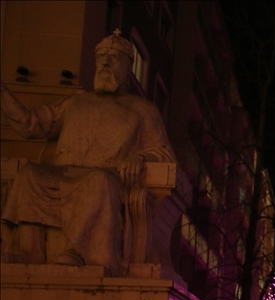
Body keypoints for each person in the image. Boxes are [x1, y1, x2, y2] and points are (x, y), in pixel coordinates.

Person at [0, 31, 175, 273]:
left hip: (107, 178)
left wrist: (140, 157)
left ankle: (78, 250)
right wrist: (3, 96)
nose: (105, 62)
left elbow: (164, 153)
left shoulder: (142, 110)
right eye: (101, 56)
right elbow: (31, 124)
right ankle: (29, 250)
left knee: (98, 181)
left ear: (128, 66)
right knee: (29, 174)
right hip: (63, 173)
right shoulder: (75, 102)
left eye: (113, 57)